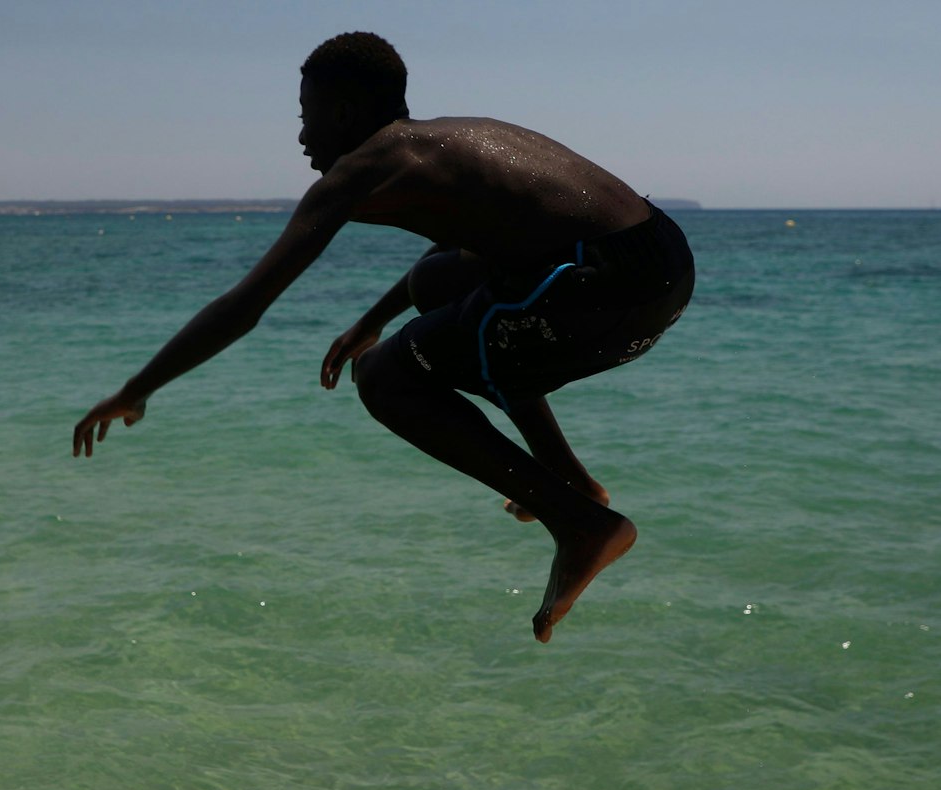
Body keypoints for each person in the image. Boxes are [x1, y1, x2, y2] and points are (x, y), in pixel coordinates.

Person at [73, 31, 693, 642]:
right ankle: (573, 481)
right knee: (436, 281)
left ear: (343, 112)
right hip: (655, 264)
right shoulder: (438, 145)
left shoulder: (360, 172)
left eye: (306, 117)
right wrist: (373, 319)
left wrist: (137, 388)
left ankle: (581, 523)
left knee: (386, 378)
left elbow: (245, 304)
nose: (301, 137)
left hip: (602, 291)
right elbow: (468, 249)